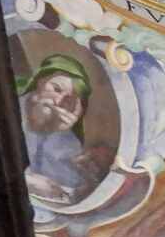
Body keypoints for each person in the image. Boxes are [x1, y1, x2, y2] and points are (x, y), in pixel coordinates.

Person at [17, 53, 103, 204]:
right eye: (56, 89)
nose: (58, 101)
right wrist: (28, 181)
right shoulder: (7, 109)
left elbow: (69, 188)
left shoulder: (64, 134)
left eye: (68, 99)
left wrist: (56, 132)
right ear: (40, 81)